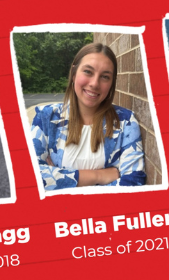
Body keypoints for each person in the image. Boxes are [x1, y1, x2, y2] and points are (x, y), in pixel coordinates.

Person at [31, 43, 146, 190]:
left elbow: (133, 184)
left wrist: (59, 180)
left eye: (105, 77)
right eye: (88, 71)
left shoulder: (125, 122)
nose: (94, 83)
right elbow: (30, 177)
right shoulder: (46, 117)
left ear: (112, 83)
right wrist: (99, 176)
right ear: (74, 74)